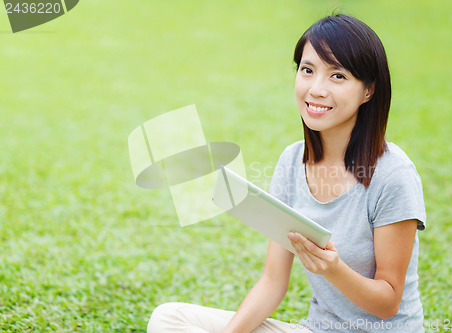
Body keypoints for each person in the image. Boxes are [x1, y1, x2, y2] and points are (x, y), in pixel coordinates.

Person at [147, 14, 426, 333]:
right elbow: (272, 282)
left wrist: (334, 269)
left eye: (337, 76)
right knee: (169, 319)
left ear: (368, 90)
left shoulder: (393, 173)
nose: (316, 89)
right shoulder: (293, 161)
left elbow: (389, 301)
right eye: (308, 70)